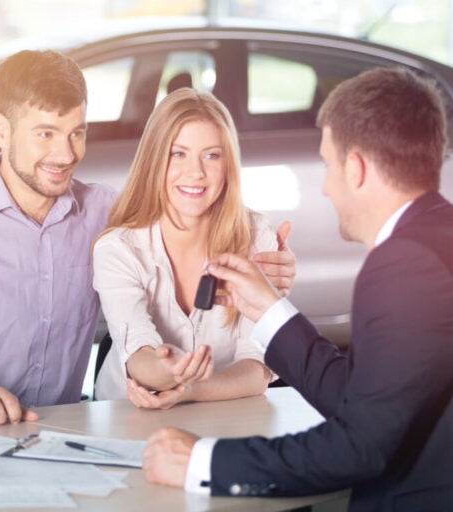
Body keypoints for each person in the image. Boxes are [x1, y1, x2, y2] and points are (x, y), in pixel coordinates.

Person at [0, 49, 296, 430]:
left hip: (48, 440)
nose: (66, 153)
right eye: (45, 133)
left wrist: (275, 276)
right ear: (1, 130)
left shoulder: (108, 216)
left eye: (77, 132)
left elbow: (189, 215)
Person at [142, 67, 453, 511]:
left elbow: (359, 445)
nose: (326, 188)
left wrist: (201, 461)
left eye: (328, 166)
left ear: (357, 168)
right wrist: (269, 308)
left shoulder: (405, 265)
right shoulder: (438, 234)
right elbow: (364, 395)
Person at [93, 88, 283, 406]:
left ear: (228, 166)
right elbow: (138, 353)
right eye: (178, 154)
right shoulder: (118, 249)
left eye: (211, 155)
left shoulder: (256, 236)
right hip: (129, 413)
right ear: (155, 161)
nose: (195, 172)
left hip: (224, 413)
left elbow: (257, 368)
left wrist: (188, 390)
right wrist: (166, 370)